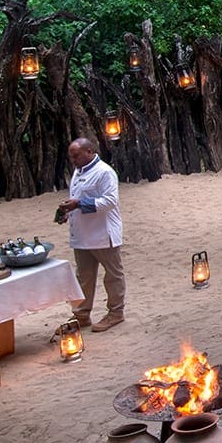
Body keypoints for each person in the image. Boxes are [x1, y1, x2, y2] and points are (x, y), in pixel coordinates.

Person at [54, 136, 125, 332]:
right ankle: (81, 315)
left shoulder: (105, 173)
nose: (73, 160)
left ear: (89, 152)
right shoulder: (78, 172)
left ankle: (116, 312)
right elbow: (79, 197)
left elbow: (109, 201)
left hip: (103, 233)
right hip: (82, 235)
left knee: (112, 275)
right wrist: (69, 210)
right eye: (71, 157)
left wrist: (79, 204)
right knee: (83, 276)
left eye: (76, 156)